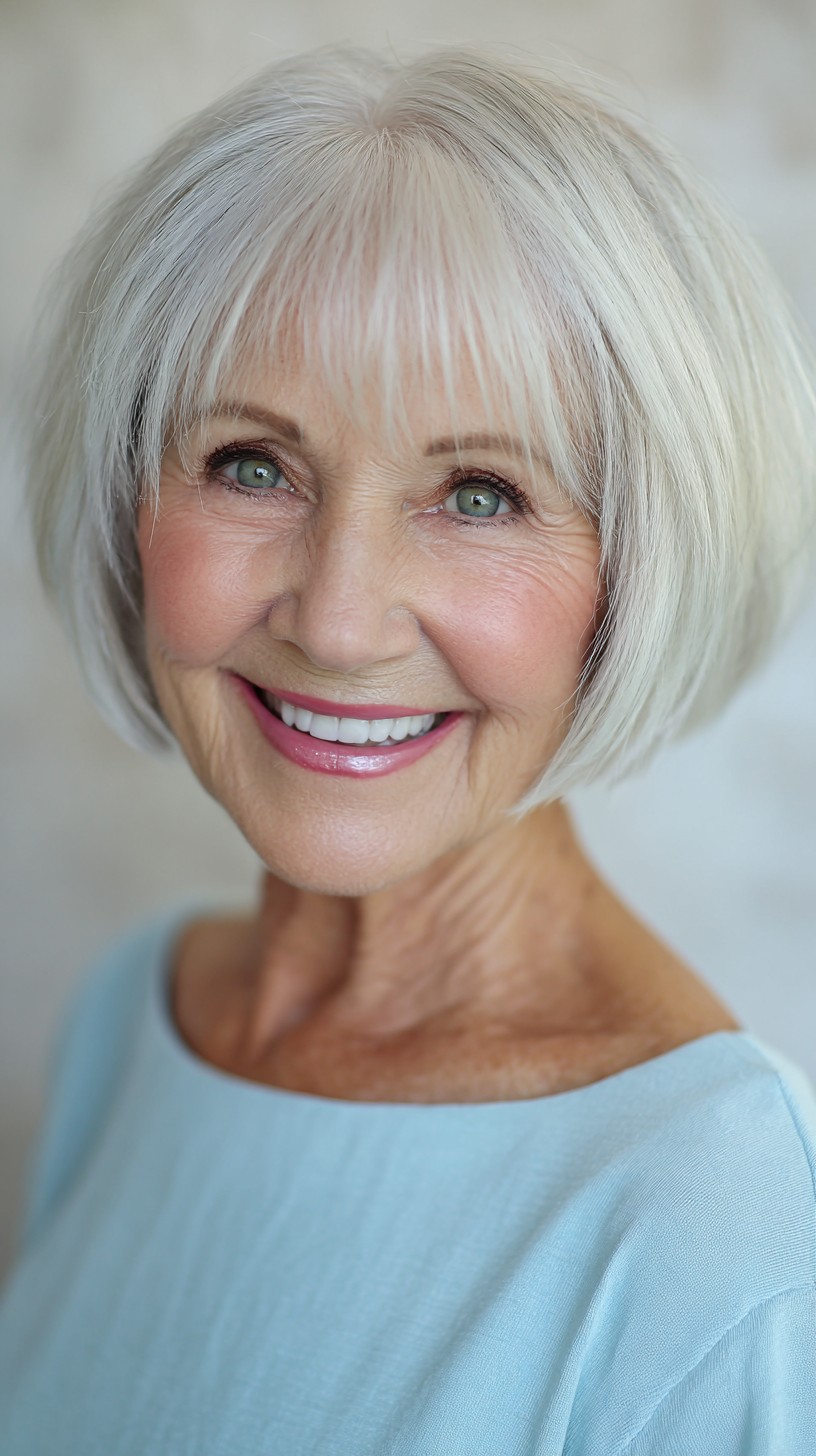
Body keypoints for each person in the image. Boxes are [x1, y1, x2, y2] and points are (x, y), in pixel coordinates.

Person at [1, 40, 815, 1455]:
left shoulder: (728, 1237)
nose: (336, 617)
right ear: (131, 495)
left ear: (642, 568)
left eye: (481, 493)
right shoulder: (131, 1025)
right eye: (251, 464)